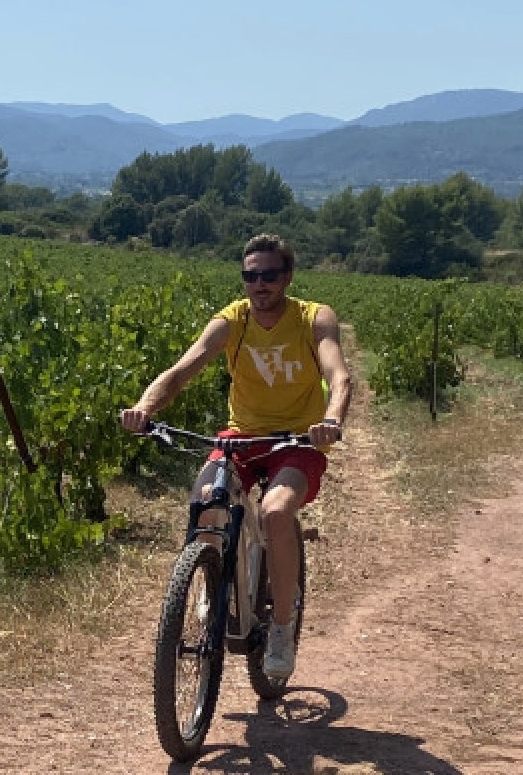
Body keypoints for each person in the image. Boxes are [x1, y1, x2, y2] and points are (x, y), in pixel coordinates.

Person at [120, 232, 352, 681]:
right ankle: (209, 587)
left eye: (268, 275)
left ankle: (282, 627)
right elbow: (182, 370)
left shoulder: (313, 318)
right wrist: (144, 409)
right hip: (242, 437)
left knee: (276, 512)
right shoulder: (232, 321)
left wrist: (332, 419)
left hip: (299, 441)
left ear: (286, 277)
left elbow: (338, 375)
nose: (259, 284)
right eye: (250, 275)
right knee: (207, 498)